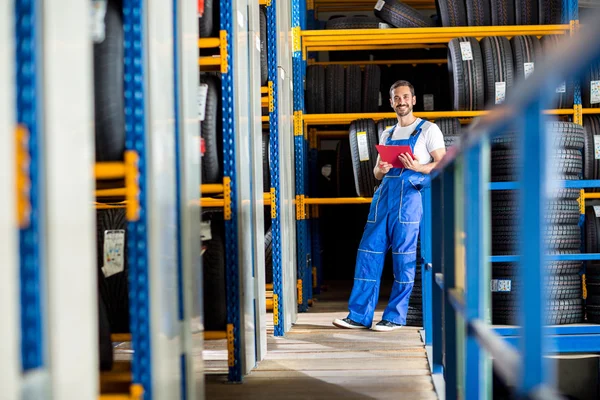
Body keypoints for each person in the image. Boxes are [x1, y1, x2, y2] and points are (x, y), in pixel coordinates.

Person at [333, 80, 446, 332]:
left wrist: (418, 167)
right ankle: (358, 316)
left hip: (409, 200)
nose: (402, 101)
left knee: (403, 259)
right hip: (384, 199)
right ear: (391, 102)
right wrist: (380, 169)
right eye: (397, 98)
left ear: (413, 100)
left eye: (406, 97)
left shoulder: (429, 130)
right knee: (368, 254)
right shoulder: (387, 133)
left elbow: (441, 163)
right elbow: (376, 173)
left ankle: (394, 317)